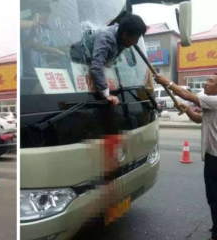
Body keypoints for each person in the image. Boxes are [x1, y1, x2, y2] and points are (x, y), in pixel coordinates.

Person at [154, 73, 217, 240]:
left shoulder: (216, 101)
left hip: (216, 159)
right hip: (211, 157)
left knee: (215, 196)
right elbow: (198, 119)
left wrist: (168, 82)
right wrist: (187, 109)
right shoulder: (212, 105)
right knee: (212, 195)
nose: (205, 83)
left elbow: (187, 95)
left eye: (210, 81)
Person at [91, 14, 147, 106]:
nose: (135, 43)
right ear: (125, 35)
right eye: (134, 39)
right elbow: (96, 65)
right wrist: (106, 94)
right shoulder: (106, 38)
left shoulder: (121, 38)